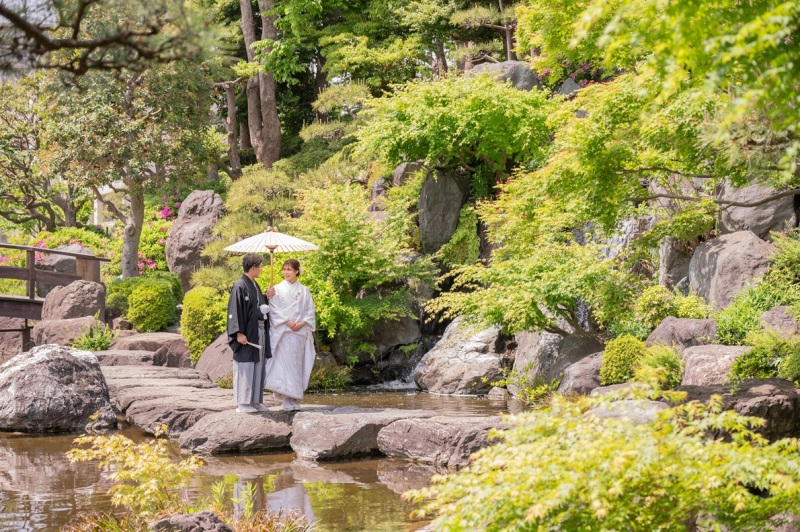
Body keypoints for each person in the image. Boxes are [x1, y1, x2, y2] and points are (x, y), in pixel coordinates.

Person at [264, 258, 316, 410]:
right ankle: (286, 398)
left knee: (296, 365)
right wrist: (287, 322)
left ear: (297, 271)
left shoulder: (304, 290)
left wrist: (302, 323)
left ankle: (294, 398)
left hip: (299, 333)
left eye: (289, 269)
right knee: (285, 365)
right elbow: (273, 308)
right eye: (284, 269)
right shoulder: (277, 289)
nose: (286, 272)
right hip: (284, 333)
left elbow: (310, 310)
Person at [227, 253, 271, 413]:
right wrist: (238, 333)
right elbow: (235, 310)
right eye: (260, 266)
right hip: (246, 333)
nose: (261, 269)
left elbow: (257, 306)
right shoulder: (240, 285)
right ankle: (243, 402)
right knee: (246, 365)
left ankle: (255, 401)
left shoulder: (254, 285)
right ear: (253, 267)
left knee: (258, 365)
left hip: (258, 330)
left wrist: (267, 297)